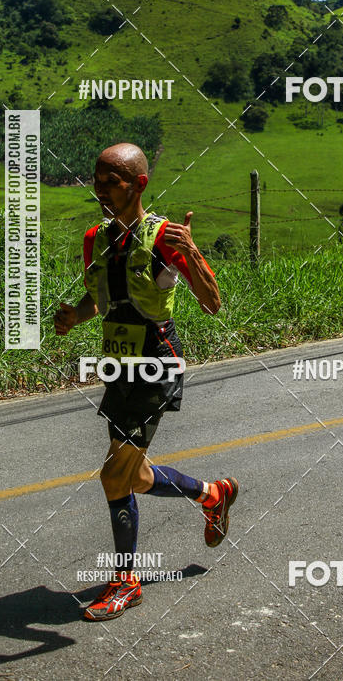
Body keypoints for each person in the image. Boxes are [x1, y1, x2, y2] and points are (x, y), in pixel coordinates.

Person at [53, 143, 238, 622]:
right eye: (96, 179)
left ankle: (126, 583)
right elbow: (102, 296)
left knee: (114, 474)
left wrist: (191, 252)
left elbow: (213, 302)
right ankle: (211, 494)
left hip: (156, 364)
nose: (99, 189)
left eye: (109, 180)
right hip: (119, 367)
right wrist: (77, 315)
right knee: (133, 475)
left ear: (138, 184)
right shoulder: (96, 238)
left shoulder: (163, 239)